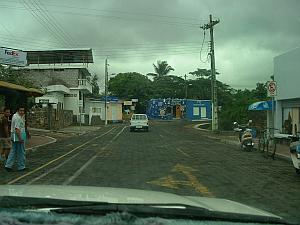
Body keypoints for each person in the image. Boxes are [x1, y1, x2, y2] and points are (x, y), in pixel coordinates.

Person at [5, 106, 27, 172]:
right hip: (18, 135)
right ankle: (21, 166)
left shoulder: (15, 116)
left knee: (13, 150)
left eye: (23, 111)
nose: (22, 112)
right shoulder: (17, 117)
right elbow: (17, 129)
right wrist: (20, 138)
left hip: (15, 135)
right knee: (21, 151)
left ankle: (8, 165)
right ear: (17, 110)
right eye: (20, 110)